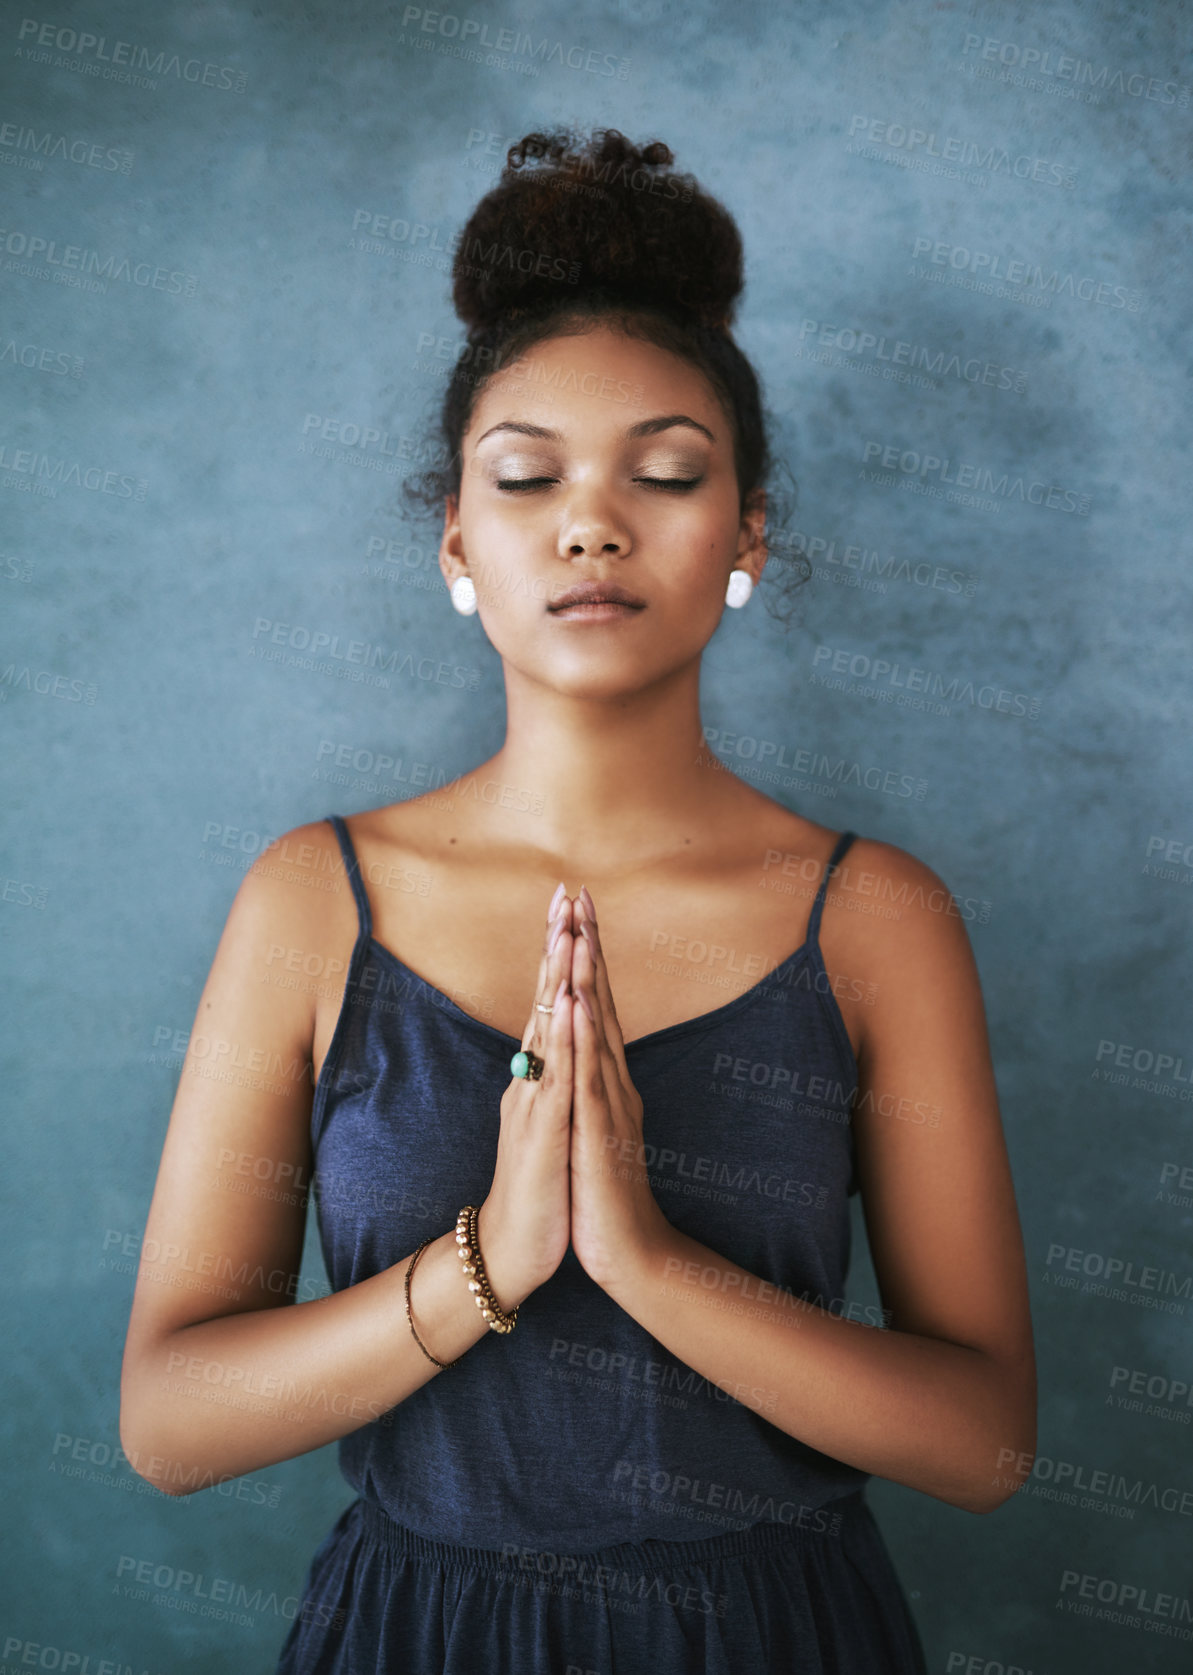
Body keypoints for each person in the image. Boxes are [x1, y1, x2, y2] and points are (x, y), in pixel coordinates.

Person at [119, 127, 1036, 1674]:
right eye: (526, 476)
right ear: (458, 545)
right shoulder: (311, 901)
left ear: (744, 534)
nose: (590, 522)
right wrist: (487, 1263)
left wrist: (650, 1264)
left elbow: (983, 1443)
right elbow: (166, 1424)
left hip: (777, 1638)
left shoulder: (874, 915)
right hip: (417, 1633)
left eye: (665, 473)